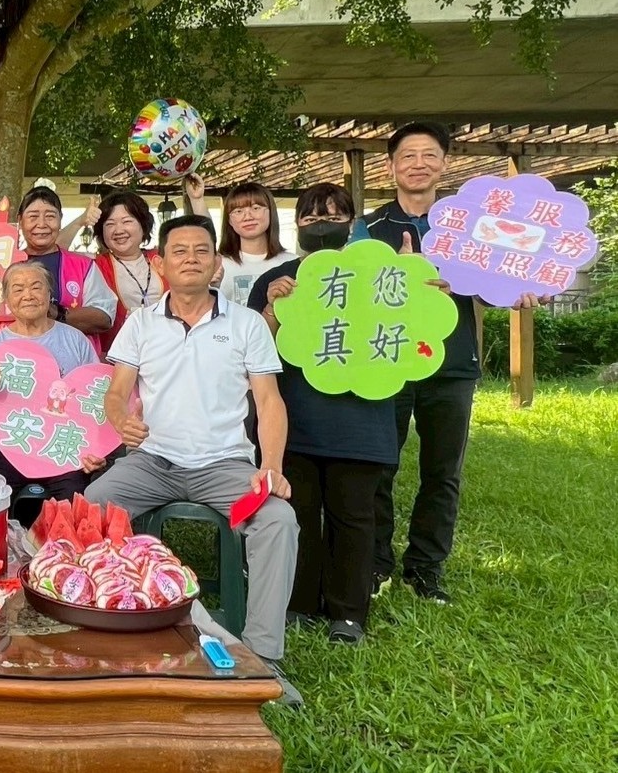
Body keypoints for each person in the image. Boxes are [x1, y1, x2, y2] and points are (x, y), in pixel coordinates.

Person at [83, 214, 299, 694]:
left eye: (202, 250)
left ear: (216, 262)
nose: (191, 259)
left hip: (224, 466)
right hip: (152, 463)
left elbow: (268, 401)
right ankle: (113, 625)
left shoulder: (246, 324)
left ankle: (262, 656)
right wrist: (120, 420)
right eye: (178, 251)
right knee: (89, 510)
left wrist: (271, 466)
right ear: (160, 263)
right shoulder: (141, 323)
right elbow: (116, 392)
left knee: (277, 520)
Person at [351, 121, 543, 604]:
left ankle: (425, 569)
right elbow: (351, 295)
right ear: (391, 166)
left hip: (452, 364)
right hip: (387, 361)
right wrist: (396, 276)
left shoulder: (474, 226)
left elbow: (500, 281)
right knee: (377, 467)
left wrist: (520, 291)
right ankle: (376, 565)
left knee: (442, 473)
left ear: (445, 164)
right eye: (407, 156)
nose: (418, 164)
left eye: (428, 155)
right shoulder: (368, 229)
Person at [249, 183, 396, 645]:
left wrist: (421, 287)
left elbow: (410, 332)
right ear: (297, 225)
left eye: (333, 217)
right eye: (311, 218)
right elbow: (254, 349)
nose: (321, 226)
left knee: (353, 517)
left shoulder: (381, 274)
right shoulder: (277, 279)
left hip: (362, 421)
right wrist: (273, 308)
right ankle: (299, 603)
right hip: (297, 421)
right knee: (298, 514)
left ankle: (348, 613)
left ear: (351, 224)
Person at [0, 261, 109, 501]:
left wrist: (95, 450)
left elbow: (95, 405)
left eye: (36, 287)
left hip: (61, 450)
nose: (28, 295)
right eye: (18, 289)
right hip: (3, 449)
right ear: (7, 300)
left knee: (74, 501)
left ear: (50, 295)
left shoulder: (76, 340)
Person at [16, 186, 117, 351]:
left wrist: (58, 314)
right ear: (20, 221)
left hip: (72, 360)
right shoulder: (4, 265)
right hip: (14, 359)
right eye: (33, 216)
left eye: (50, 216)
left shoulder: (83, 265)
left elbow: (105, 316)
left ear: (60, 219)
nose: (41, 224)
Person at [87, 192, 167, 352]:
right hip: (116, 357)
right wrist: (79, 222)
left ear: (143, 225)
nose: (118, 230)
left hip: (167, 353)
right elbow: (53, 252)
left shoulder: (162, 258)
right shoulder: (95, 265)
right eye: (110, 224)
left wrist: (197, 200)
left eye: (127, 221)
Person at [215, 182, 296, 306]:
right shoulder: (219, 265)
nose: (247, 217)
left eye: (256, 208)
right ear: (229, 220)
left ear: (271, 212)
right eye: (238, 211)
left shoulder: (292, 263)